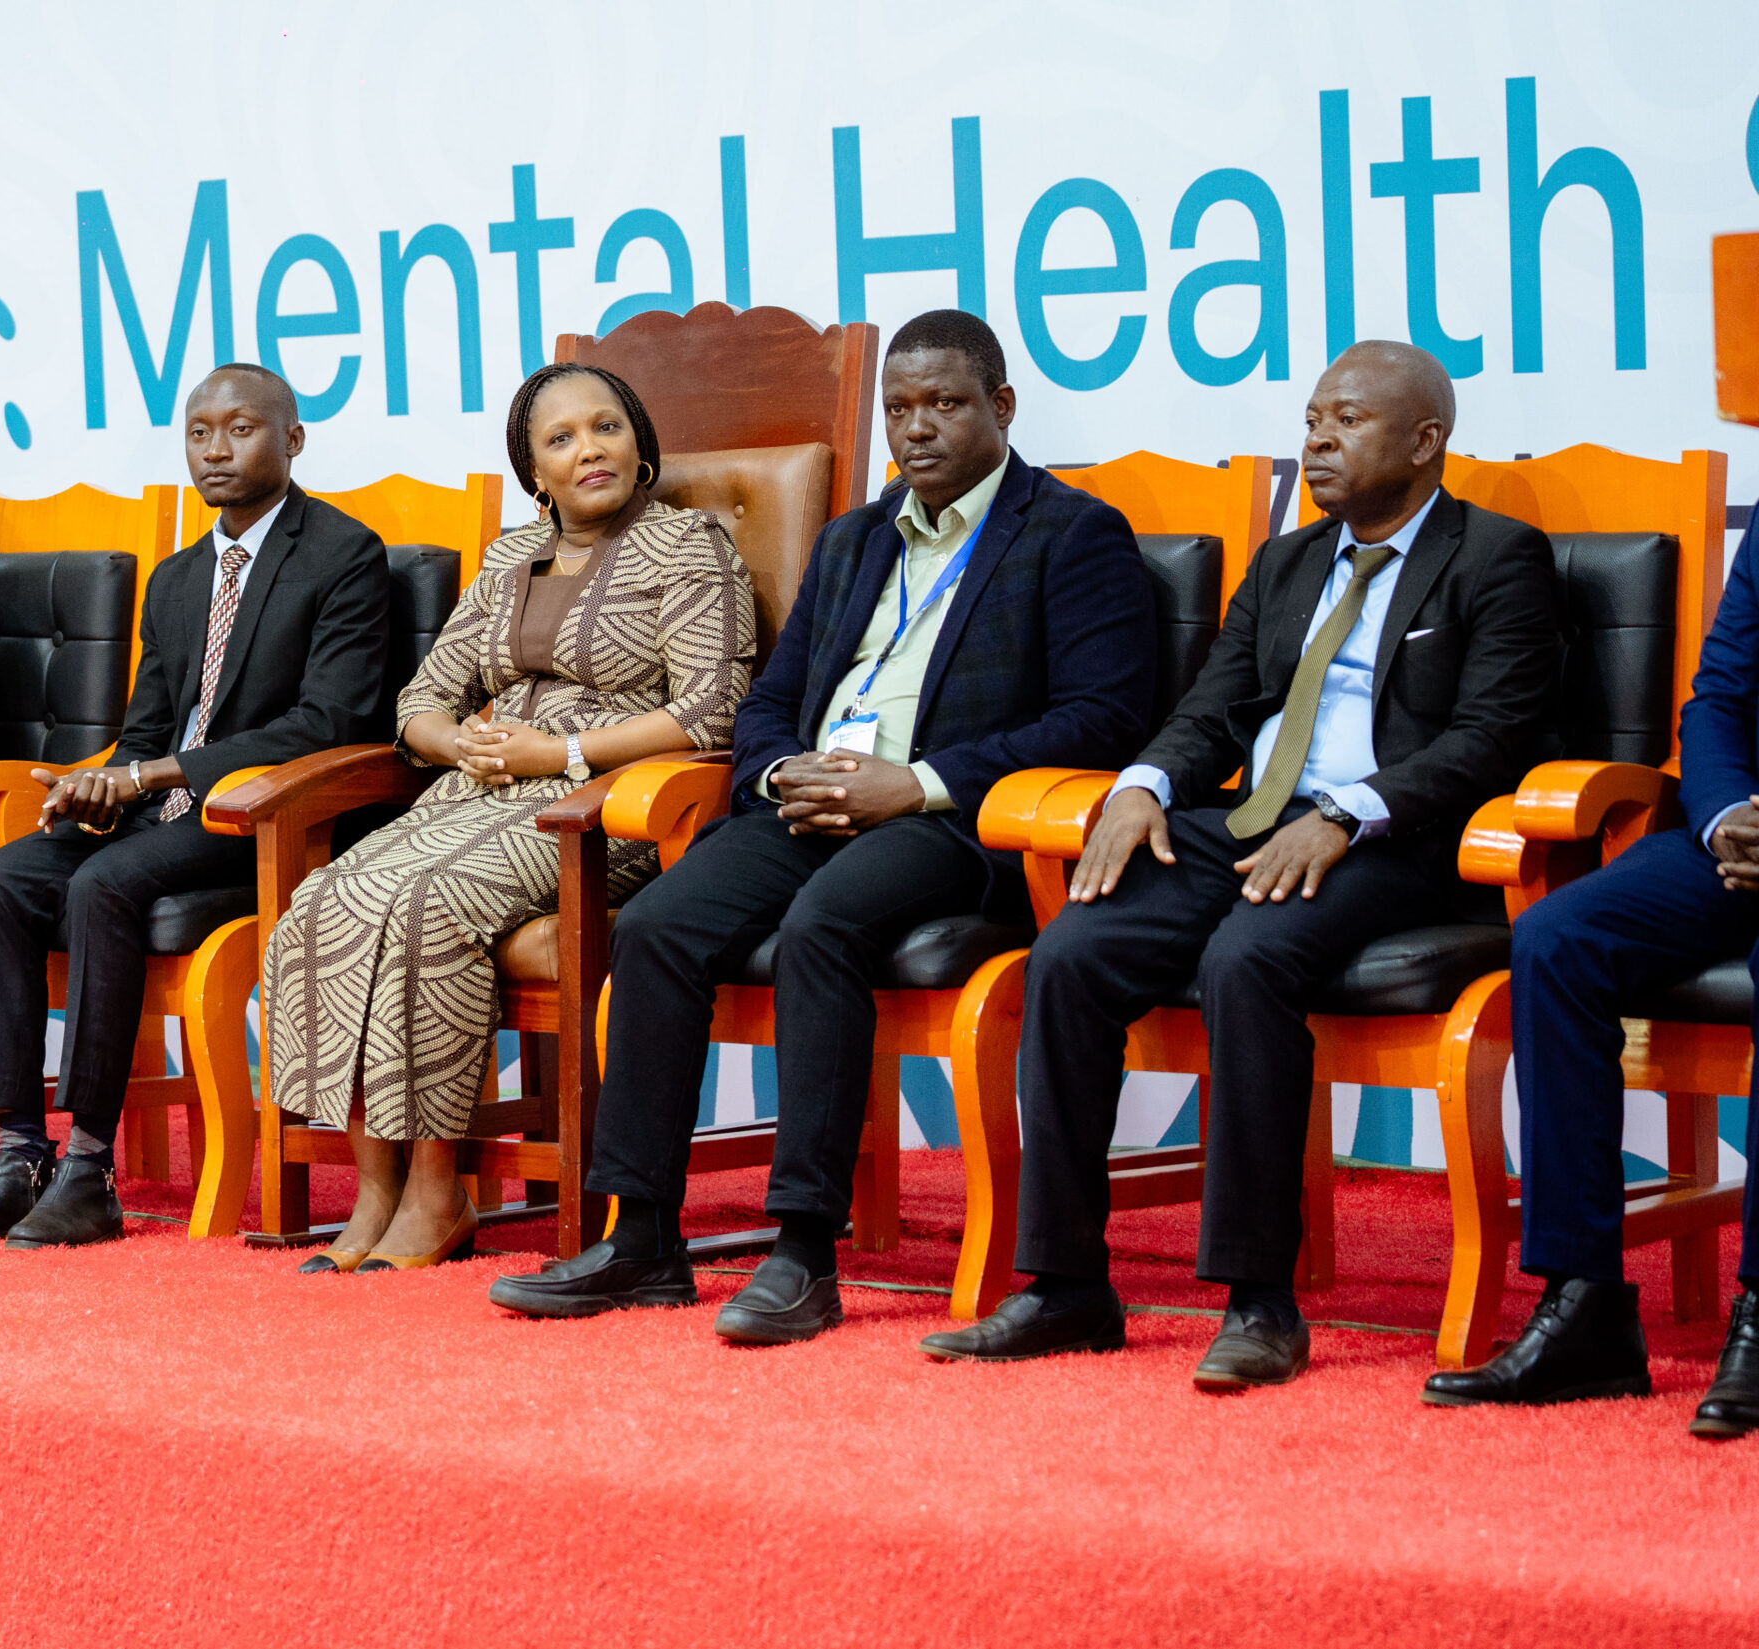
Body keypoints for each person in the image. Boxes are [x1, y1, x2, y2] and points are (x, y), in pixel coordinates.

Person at [489, 310, 1159, 1341]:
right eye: (899, 407)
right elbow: (771, 698)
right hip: (808, 804)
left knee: (822, 926)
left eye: (946, 403)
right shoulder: (855, 540)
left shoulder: (1072, 533)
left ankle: (802, 1250)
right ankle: (643, 1239)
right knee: (658, 924)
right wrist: (776, 769)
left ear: (1002, 407)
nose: (917, 427)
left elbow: (1103, 718)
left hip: (951, 822)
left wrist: (917, 782)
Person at [921, 340, 1561, 1390]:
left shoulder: (1496, 557)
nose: (1317, 440)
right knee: (1071, 953)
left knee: (1247, 958)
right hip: (1251, 822)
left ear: (1425, 440)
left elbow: (1491, 738)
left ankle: (1260, 1301)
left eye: (1346, 420)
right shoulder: (1286, 562)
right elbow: (1213, 707)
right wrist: (1142, 786)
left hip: (1397, 839)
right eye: (1311, 419)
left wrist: (1347, 813)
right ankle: (1067, 1283)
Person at [260, 362, 756, 1274]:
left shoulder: (689, 547)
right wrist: (459, 744)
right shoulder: (507, 558)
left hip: (605, 809)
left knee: (428, 904)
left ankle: (438, 1189)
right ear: (535, 473)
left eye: (607, 427)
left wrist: (557, 753)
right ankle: (376, 1186)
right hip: (476, 794)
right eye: (561, 439)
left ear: (640, 445)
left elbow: (712, 711)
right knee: (322, 901)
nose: (589, 450)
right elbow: (421, 701)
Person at [0, 364, 390, 1246]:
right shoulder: (175, 579)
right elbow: (143, 733)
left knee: (105, 885)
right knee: (1, 881)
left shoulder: (343, 555)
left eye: (240, 429)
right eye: (200, 433)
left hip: (262, 819)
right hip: (156, 809)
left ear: (293, 439)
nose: (216, 450)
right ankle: (19, 1156)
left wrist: (152, 776)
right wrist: (98, 787)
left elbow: (329, 723)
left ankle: (89, 1167)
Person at [1420, 513, 1759, 1438]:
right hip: (1736, 835)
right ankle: (1587, 1304)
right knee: (1559, 935)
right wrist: (1723, 815)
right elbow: (1720, 698)